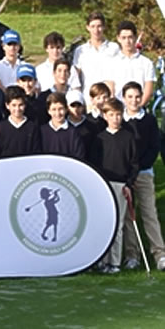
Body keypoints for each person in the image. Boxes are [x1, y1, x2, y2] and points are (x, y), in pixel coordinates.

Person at [119, 82, 165, 271]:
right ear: (124, 98)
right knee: (130, 216)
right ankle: (132, 255)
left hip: (144, 172)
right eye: (130, 97)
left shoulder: (149, 121)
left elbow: (154, 148)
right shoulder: (119, 120)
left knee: (149, 213)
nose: (134, 100)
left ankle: (160, 254)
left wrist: (139, 168)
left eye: (137, 96)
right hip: (125, 174)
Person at [88, 98, 137, 274]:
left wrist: (129, 184)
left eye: (118, 115)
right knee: (104, 223)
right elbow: (94, 163)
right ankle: (101, 260)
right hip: (103, 184)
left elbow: (134, 164)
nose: (115, 118)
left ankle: (114, 262)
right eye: (111, 115)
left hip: (121, 185)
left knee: (118, 225)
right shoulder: (99, 139)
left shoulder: (128, 138)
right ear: (104, 116)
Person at [72, 11, 119, 94]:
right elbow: (76, 76)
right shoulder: (80, 50)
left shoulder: (114, 48)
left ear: (104, 27)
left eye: (99, 26)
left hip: (109, 98)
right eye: (93, 26)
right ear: (87, 27)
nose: (96, 30)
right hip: (88, 99)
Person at [0, 86, 42, 159]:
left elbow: (36, 153)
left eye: (20, 105)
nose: (17, 109)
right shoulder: (1, 127)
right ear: (7, 105)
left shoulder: (32, 127)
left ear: (25, 105)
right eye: (14, 105)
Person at [114, 21, 154, 105]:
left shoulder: (146, 62)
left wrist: (138, 108)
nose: (127, 41)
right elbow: (110, 87)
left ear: (135, 37)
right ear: (118, 38)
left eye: (130, 37)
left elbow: (148, 89)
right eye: (123, 38)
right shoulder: (112, 61)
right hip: (118, 111)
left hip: (139, 108)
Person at [40, 92, 86, 162]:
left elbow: (79, 158)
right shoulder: (42, 131)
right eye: (54, 109)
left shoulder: (73, 133)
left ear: (66, 109)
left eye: (60, 109)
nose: (57, 113)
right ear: (48, 111)